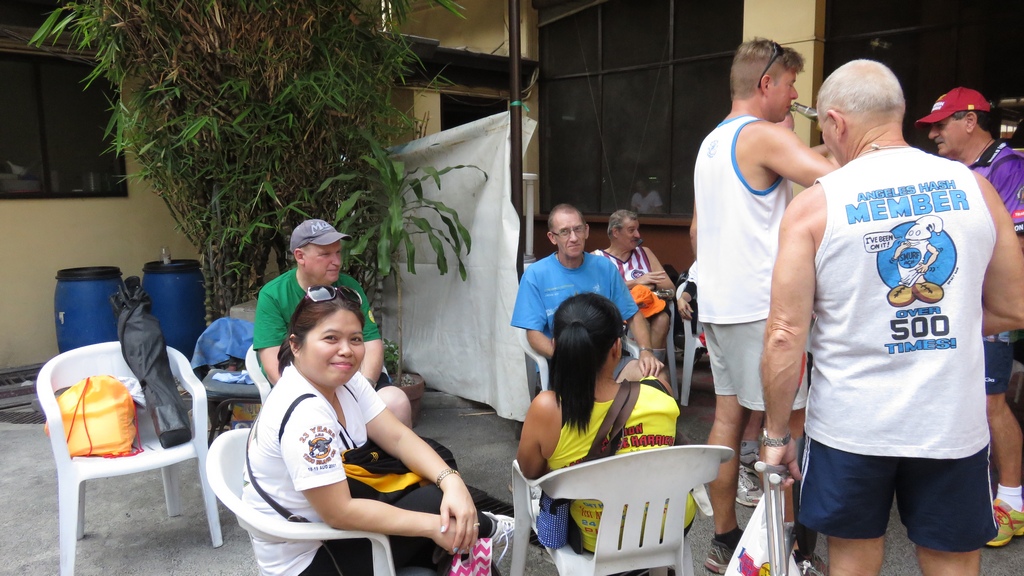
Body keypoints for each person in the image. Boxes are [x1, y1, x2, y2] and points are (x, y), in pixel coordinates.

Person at [761, 60, 1024, 575]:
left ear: (835, 122)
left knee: (852, 558)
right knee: (952, 562)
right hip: (951, 421)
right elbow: (1013, 305)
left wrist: (774, 436)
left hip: (850, 426)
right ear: (897, 113)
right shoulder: (976, 189)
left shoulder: (815, 206)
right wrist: (945, 327)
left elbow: (785, 335)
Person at [243, 285, 513, 576]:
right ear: (296, 345)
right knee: (442, 516)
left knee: (440, 499)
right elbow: (340, 513)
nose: (346, 350)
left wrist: (452, 482)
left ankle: (483, 527)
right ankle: (489, 527)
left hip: (339, 529)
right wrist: (433, 527)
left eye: (355, 339)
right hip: (309, 557)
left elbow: (398, 437)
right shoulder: (305, 414)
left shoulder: (345, 382)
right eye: (331, 338)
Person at [690, 37, 835, 573]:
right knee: (788, 429)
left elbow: (697, 230)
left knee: (728, 420)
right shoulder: (760, 134)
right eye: (791, 84)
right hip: (762, 309)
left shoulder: (712, 142)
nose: (795, 95)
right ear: (766, 83)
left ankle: (723, 540)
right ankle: (791, 552)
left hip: (721, 305)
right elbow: (836, 181)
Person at [916, 86, 1024, 547]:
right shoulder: (951, 172)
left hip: (986, 309)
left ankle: (1012, 501)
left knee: (990, 400)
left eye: (941, 124)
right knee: (961, 398)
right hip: (951, 307)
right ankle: (970, 496)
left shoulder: (1009, 166)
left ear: (970, 120)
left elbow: (1016, 245)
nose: (933, 134)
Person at [516, 292, 682, 552]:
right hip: (668, 527)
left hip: (596, 537)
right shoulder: (660, 392)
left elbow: (531, 472)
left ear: (558, 346)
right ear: (616, 348)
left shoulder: (548, 409)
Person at [253, 219, 413, 427]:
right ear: (300, 256)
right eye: (325, 254)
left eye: (338, 253)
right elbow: (274, 364)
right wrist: (319, 398)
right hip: (304, 387)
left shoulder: (349, 287)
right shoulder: (274, 294)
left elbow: (371, 342)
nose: (336, 261)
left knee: (397, 402)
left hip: (353, 380)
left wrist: (362, 389)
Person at [511, 203, 668, 391]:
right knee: (587, 395)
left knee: (657, 378)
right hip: (566, 364)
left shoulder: (605, 267)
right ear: (552, 237)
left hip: (608, 362)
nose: (573, 238)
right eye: (564, 232)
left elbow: (633, 315)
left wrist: (646, 352)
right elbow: (533, 334)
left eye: (578, 229)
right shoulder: (536, 274)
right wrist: (566, 355)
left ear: (586, 231)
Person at [594, 209, 674, 357]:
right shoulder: (598, 258)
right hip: (616, 313)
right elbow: (599, 292)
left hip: (650, 308)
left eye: (637, 229)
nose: (637, 235)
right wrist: (636, 283)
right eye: (631, 230)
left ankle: (650, 366)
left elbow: (670, 288)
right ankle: (643, 365)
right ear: (616, 232)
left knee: (662, 319)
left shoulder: (645, 253)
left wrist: (651, 285)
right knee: (639, 319)